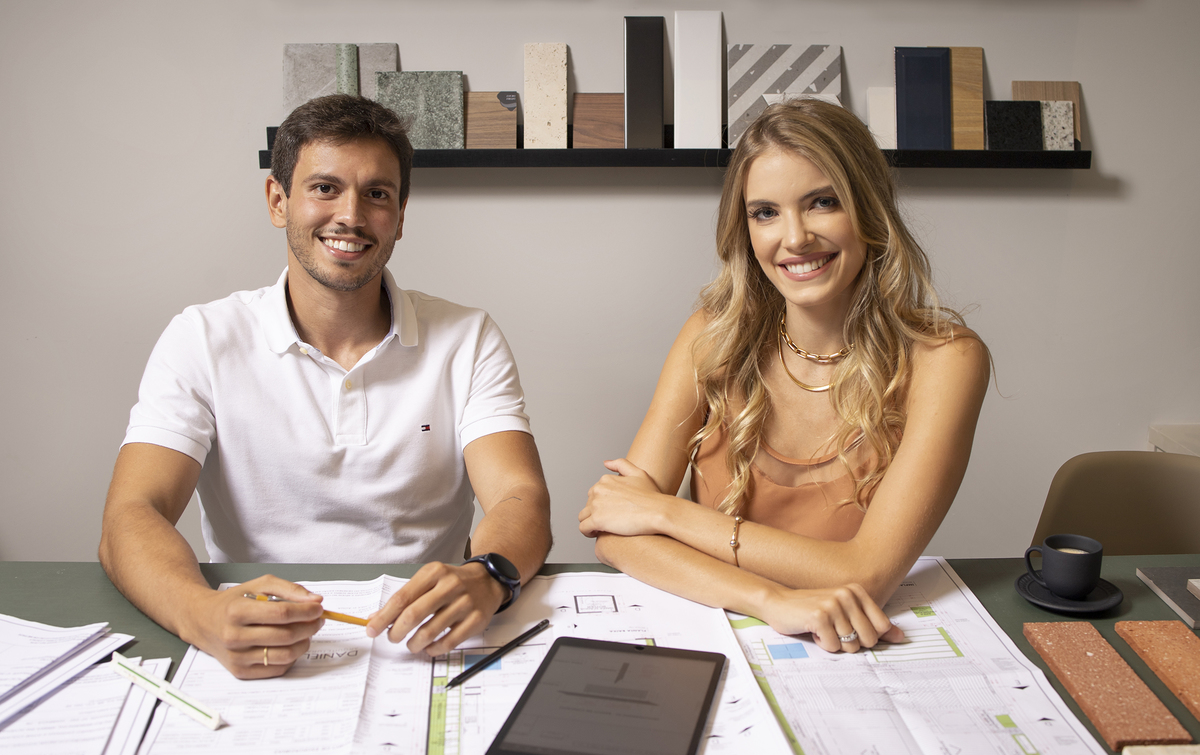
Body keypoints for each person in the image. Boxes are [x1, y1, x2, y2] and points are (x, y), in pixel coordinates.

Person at [100, 95, 551, 679]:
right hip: (255, 637)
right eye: (324, 188)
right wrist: (200, 613)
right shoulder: (202, 338)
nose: (351, 216)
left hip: (423, 640)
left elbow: (519, 494)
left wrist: (488, 577)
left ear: (401, 216)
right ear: (277, 200)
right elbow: (132, 513)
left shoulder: (468, 337)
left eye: (377, 194)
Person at [579, 99, 989, 653]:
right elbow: (615, 534)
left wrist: (663, 511)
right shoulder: (711, 336)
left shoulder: (947, 359)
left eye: (823, 202)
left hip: (857, 651)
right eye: (765, 213)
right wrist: (771, 601)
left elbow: (866, 574)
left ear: (869, 209)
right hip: (718, 634)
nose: (794, 239)